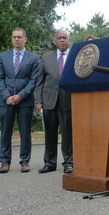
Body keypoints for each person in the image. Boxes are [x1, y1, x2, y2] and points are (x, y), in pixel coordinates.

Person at [0, 28, 39, 173]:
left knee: (25, 132)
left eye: (20, 37)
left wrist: (21, 95)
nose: (17, 39)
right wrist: (6, 96)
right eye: (14, 37)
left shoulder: (33, 58)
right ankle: (4, 161)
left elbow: (33, 81)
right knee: (5, 131)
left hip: (25, 100)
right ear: (11, 39)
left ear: (25, 39)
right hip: (5, 100)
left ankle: (25, 161)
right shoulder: (2, 57)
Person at [35, 30, 73, 174]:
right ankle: (50, 163)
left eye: (65, 38)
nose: (62, 40)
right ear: (54, 41)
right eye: (60, 38)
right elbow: (40, 82)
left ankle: (69, 162)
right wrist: (39, 101)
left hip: (68, 100)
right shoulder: (46, 58)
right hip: (49, 100)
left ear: (69, 40)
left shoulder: (74, 57)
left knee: (67, 133)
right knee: (50, 134)